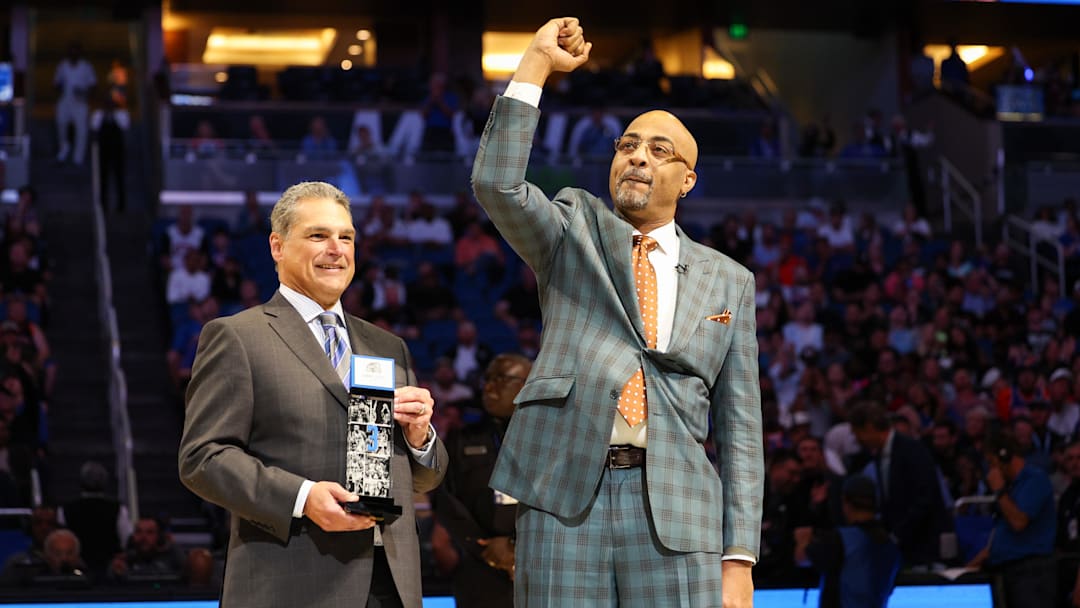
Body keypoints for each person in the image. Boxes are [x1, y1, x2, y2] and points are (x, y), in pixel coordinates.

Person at [471, 18, 762, 607]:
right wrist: (535, 65)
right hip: (564, 495)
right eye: (627, 145)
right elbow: (497, 184)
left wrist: (739, 559)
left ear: (687, 180)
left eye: (659, 151)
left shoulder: (730, 280)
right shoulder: (571, 227)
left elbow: (741, 428)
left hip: (680, 510)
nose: (636, 157)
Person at [178, 181, 447, 608]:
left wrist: (419, 439)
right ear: (277, 246)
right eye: (318, 235)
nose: (336, 249)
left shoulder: (387, 346)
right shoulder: (237, 337)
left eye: (346, 237)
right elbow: (202, 459)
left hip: (391, 585)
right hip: (291, 584)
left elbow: (424, 478)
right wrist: (302, 499)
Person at [436, 353, 532, 608]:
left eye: (501, 379)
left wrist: (515, 546)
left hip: (539, 563)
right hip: (480, 566)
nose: (489, 387)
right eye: (487, 379)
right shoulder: (461, 439)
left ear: (528, 384)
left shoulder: (549, 440)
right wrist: (486, 548)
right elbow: (444, 499)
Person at [848, 401, 950, 566]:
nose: (857, 440)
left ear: (869, 427)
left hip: (924, 547)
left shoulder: (913, 450)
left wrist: (898, 535)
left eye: (857, 433)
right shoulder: (879, 456)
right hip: (902, 549)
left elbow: (924, 499)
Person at [966, 432, 1056, 608]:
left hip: (1032, 576)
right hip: (1008, 572)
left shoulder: (1035, 479)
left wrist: (999, 491)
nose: (990, 470)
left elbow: (1018, 522)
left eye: (992, 463)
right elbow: (1001, 536)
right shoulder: (1012, 488)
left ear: (1004, 456)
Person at [794, 475, 902, 608]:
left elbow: (801, 559)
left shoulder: (839, 539)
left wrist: (803, 538)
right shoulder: (891, 545)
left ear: (845, 502)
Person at [53, 42, 96, 166]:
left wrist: (83, 92)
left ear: (80, 53)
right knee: (61, 123)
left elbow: (93, 84)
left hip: (80, 102)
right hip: (65, 100)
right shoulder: (62, 66)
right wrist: (60, 87)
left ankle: (78, 158)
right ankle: (64, 148)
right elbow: (56, 83)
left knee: (82, 130)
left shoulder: (86, 66)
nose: (73, 54)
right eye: (71, 51)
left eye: (76, 51)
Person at [90, 96, 130, 213]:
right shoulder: (98, 115)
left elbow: (125, 125)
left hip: (117, 150)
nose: (108, 107)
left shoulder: (121, 114)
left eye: (111, 104)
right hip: (103, 150)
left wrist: (114, 115)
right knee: (103, 178)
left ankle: (121, 206)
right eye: (106, 104)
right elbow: (94, 127)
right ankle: (103, 205)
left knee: (119, 178)